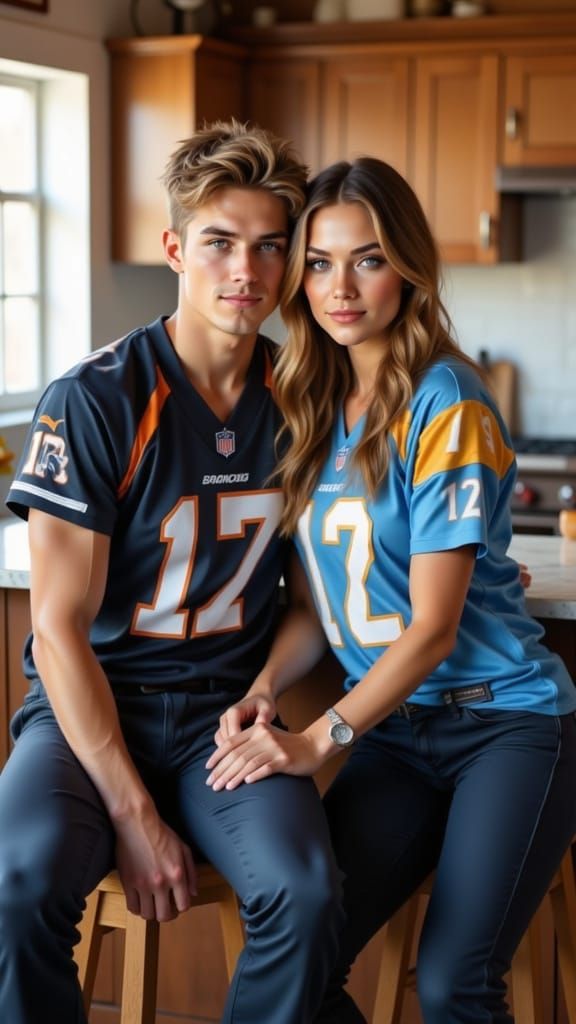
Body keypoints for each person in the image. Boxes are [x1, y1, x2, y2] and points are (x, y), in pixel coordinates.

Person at [205, 156, 576, 1023]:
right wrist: (266, 687)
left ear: (407, 267)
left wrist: (318, 740)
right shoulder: (311, 400)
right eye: (320, 262)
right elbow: (319, 602)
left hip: (506, 729)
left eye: (367, 259)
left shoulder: (447, 400)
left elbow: (435, 627)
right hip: (400, 734)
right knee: (295, 959)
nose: (341, 288)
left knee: (452, 984)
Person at [0, 120, 344, 1024]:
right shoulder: (95, 398)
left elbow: (312, 602)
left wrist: (266, 687)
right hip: (89, 712)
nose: (246, 271)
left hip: (219, 719)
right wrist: (133, 813)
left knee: (306, 895)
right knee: (16, 882)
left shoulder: (308, 400)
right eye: (220, 242)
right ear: (175, 248)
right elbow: (57, 631)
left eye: (270, 246)